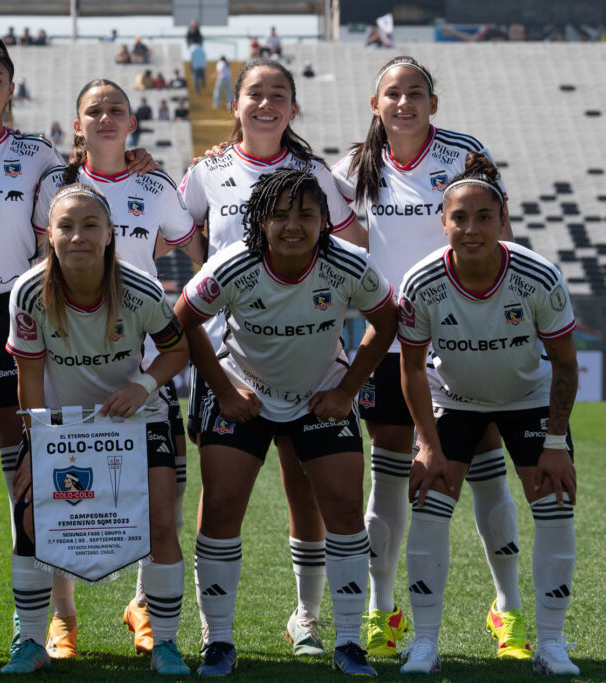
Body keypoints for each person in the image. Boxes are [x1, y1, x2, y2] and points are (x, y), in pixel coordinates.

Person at [0, 34, 156, 661]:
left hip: (14, 319)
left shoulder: (39, 155)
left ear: (12, 89)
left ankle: (31, 624)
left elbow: (87, 190)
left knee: (27, 469)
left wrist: (133, 161)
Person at [332, 56, 523, 660]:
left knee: (486, 474)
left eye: (416, 93)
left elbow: (500, 229)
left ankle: (510, 612)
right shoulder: (357, 167)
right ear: (375, 105)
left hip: (465, 339)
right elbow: (313, 207)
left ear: (433, 104)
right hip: (391, 342)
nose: (405, 102)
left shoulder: (465, 153)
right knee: (388, 481)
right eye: (393, 94)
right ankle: (382, 614)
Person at [176, 167, 397, 677]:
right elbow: (181, 322)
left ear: (325, 220)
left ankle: (347, 643)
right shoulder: (232, 265)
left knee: (342, 507)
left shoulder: (351, 264)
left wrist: (346, 390)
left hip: (319, 396)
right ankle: (219, 641)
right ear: (259, 220)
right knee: (223, 507)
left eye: (306, 214)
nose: (292, 225)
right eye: (279, 214)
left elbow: (386, 321)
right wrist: (223, 389)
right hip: (244, 394)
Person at [180, 57, 358, 665]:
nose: (265, 103)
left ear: (293, 106)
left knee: (306, 488)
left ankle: (306, 617)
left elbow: (351, 248)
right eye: (254, 93)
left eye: (277, 94)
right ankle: (214, 632)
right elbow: (174, 236)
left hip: (311, 355)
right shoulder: (205, 171)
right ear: (235, 103)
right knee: (220, 494)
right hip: (235, 353)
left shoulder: (314, 172)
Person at [30, 79, 197, 658]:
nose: (104, 118)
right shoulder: (55, 181)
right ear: (76, 124)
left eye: (115, 110)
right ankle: (62, 618)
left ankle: (147, 606)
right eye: (93, 111)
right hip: (67, 356)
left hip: (139, 357)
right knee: (59, 498)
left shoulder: (154, 181)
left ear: (133, 121)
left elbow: (194, 253)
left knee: (166, 495)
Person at [396, 154, 579, 676]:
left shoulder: (538, 275)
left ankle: (552, 643)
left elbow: (565, 366)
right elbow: (411, 370)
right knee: (429, 503)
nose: (471, 229)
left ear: (503, 221)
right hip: (454, 400)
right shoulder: (421, 281)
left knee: (557, 504)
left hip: (528, 401)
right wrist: (427, 445)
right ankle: (425, 644)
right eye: (460, 218)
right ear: (443, 222)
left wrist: (556, 442)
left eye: (483, 217)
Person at [4, 183, 191, 675]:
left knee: (160, 521)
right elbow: (29, 377)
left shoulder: (140, 288)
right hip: (64, 424)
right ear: (49, 233)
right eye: (66, 225)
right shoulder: (29, 291)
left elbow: (177, 349)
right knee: (34, 519)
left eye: (91, 226)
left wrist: (144, 386)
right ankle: (32, 638)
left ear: (110, 234)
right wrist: (35, 446)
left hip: (134, 419)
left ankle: (166, 641)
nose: (78, 236)